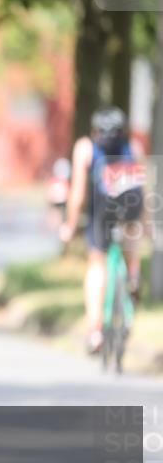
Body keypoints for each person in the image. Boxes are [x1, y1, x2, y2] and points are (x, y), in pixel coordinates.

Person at [59, 107, 146, 354]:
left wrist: (70, 224)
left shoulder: (85, 147)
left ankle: (95, 331)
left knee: (97, 264)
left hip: (103, 208)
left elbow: (77, 192)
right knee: (131, 239)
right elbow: (143, 187)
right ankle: (134, 273)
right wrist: (146, 225)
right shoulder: (134, 146)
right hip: (131, 204)